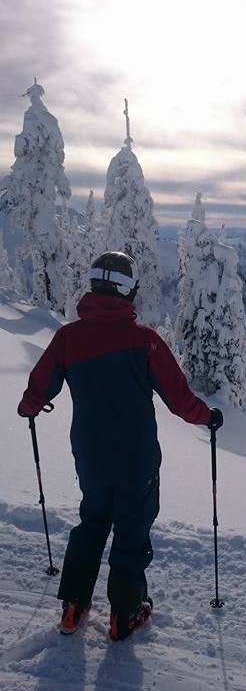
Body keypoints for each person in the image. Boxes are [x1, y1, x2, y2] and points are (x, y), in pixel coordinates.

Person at [18, 251, 223, 640]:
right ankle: (124, 615)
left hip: (90, 456)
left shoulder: (67, 338)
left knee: (92, 523)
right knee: (131, 531)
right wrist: (208, 417)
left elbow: (39, 386)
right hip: (136, 460)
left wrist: (27, 408)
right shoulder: (144, 341)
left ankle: (73, 606)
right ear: (129, 290)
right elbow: (180, 401)